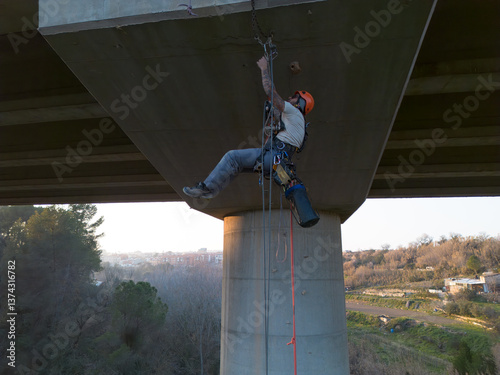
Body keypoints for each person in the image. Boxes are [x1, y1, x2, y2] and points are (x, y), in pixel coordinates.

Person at [183, 55, 314, 199]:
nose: (290, 98)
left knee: (232, 157)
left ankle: (207, 189)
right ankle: (208, 191)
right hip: (279, 164)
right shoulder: (298, 123)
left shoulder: (293, 111)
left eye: (294, 98)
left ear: (300, 104)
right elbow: (273, 103)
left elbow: (270, 91)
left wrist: (264, 68)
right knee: (236, 165)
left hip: (273, 158)